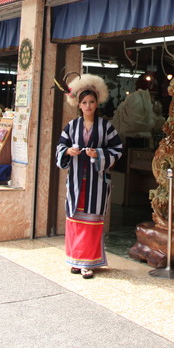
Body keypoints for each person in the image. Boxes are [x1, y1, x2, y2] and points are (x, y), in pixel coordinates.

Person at [55, 74, 122, 280]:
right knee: (75, 221)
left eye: (91, 102)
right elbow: (60, 147)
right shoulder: (71, 126)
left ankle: (88, 263)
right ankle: (75, 260)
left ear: (97, 102)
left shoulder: (106, 127)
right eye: (84, 102)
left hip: (97, 183)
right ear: (78, 104)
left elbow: (117, 149)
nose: (88, 106)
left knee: (92, 223)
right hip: (76, 182)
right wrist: (68, 152)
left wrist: (98, 154)